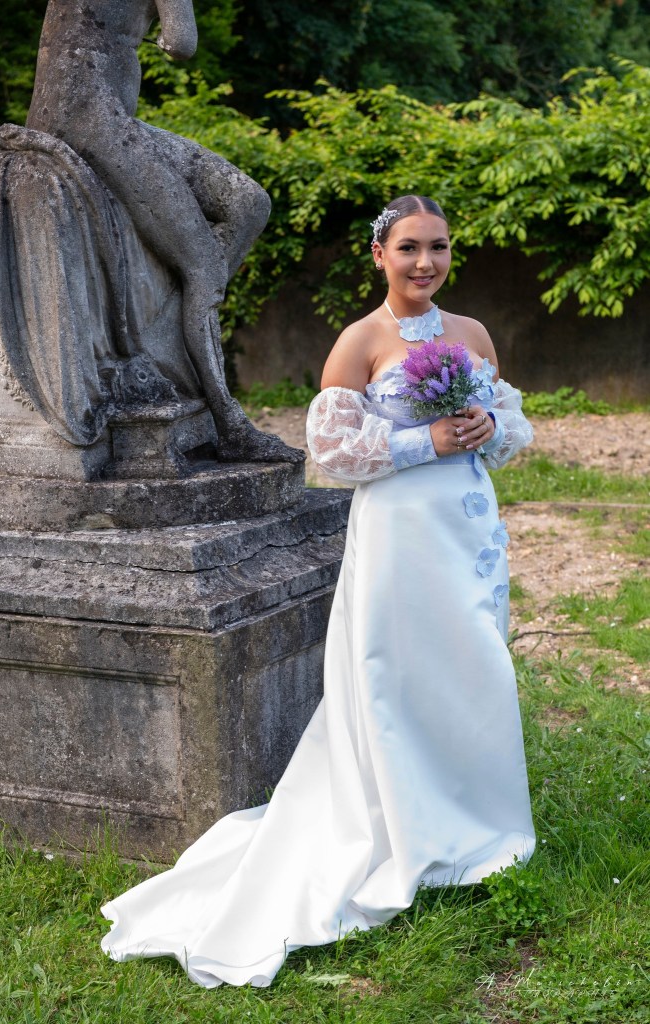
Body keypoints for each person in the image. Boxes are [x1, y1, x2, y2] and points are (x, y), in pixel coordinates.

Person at [100, 195, 536, 988]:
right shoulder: (359, 341)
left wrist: (482, 428)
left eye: (438, 247)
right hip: (400, 534)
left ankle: (480, 823)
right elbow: (332, 451)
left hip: (468, 528)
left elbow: (510, 428)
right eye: (409, 248)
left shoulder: (472, 336)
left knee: (473, 666)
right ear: (380, 254)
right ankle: (403, 828)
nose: (425, 263)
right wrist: (425, 439)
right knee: (398, 675)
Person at [26, 0, 302, 462]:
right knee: (204, 261)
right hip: (90, 118)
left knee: (248, 203)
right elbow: (181, 43)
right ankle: (228, 420)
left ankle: (180, 317)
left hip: (90, 113)